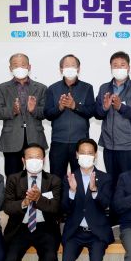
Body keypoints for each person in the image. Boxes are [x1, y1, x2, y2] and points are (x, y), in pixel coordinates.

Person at [2, 143, 61, 261]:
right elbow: (7, 206)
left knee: (51, 260)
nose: (34, 160)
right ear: (23, 160)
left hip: (45, 228)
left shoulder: (53, 180)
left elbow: (56, 208)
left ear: (43, 159)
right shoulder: (13, 179)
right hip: (20, 228)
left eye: (38, 157)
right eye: (30, 157)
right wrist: (24, 203)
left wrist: (39, 199)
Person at [58, 138, 113, 261]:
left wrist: (95, 190)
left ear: (95, 155)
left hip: (96, 232)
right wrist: (72, 192)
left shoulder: (104, 177)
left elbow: (106, 205)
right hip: (75, 231)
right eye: (83, 152)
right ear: (76, 155)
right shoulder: (69, 177)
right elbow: (63, 208)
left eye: (90, 153)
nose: (86, 156)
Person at [95, 51, 131, 188]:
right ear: (111, 68)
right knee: (111, 183)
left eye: (122, 65)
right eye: (115, 65)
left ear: (128, 67)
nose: (119, 68)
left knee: (128, 184)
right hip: (109, 145)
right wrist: (105, 108)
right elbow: (98, 114)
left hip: (129, 145)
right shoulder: (104, 88)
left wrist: (121, 107)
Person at [0, 53, 48, 177]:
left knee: (36, 174)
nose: (20, 68)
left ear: (29, 67)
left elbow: (46, 112)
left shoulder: (41, 88)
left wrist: (34, 110)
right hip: (11, 138)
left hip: (35, 137)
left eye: (23, 65)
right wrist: (12, 111)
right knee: (13, 176)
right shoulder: (1, 88)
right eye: (16, 65)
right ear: (10, 68)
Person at [44, 54, 95, 182]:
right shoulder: (52, 88)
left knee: (80, 179)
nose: (70, 68)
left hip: (80, 143)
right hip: (58, 142)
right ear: (61, 69)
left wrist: (74, 106)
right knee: (56, 179)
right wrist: (60, 107)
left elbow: (91, 111)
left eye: (73, 65)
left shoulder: (87, 88)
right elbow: (47, 114)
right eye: (66, 65)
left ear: (78, 68)